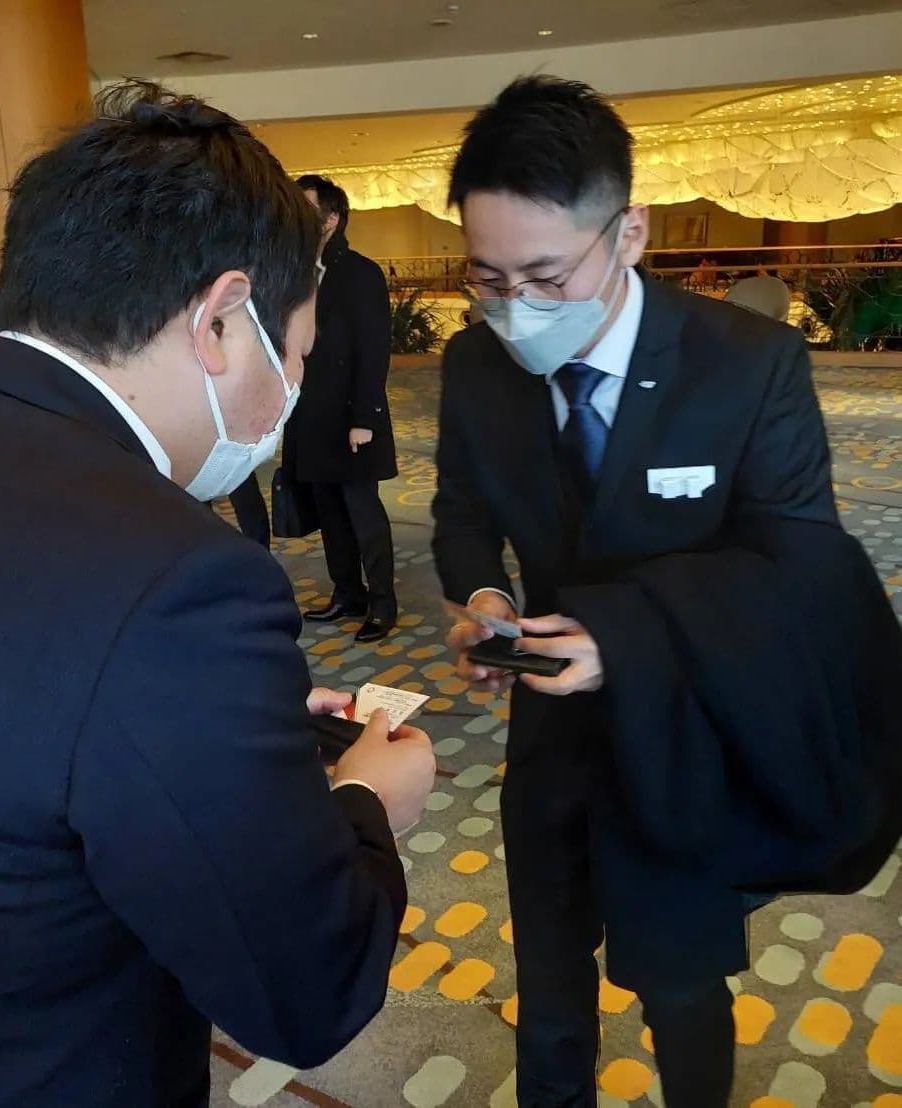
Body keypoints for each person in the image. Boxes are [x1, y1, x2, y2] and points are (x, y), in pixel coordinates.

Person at [0, 81, 436, 1107]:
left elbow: (28, 708)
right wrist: (365, 802)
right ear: (221, 319)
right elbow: (306, 992)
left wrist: (232, 728)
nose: (292, 389)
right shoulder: (182, 580)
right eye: (298, 354)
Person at [434, 76, 902, 1108]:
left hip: (686, 718)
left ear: (630, 232)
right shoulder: (475, 366)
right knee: (549, 982)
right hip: (547, 731)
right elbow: (461, 512)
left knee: (681, 985)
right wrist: (482, 599)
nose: (516, 308)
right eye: (488, 278)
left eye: (546, 275)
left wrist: (622, 635)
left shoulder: (744, 363)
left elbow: (801, 563)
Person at [286, 174, 399, 643]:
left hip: (352, 417)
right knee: (329, 514)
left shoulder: (359, 273)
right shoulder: (296, 272)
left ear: (331, 219)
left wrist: (364, 418)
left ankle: (382, 603)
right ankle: (347, 593)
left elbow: (374, 350)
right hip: (310, 416)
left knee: (363, 515)